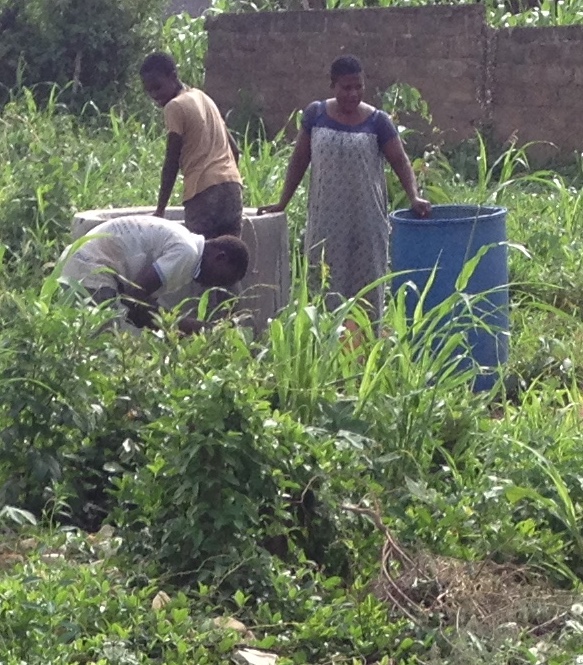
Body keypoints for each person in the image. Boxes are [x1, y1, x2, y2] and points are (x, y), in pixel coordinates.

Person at [258, 55, 431, 327]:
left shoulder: (378, 121)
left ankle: (365, 347)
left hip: (367, 222)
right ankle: (324, 345)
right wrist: (282, 202)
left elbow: (400, 161)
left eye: (358, 87)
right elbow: (299, 160)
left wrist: (414, 195)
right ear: (332, 86)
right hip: (326, 223)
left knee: (366, 294)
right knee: (323, 287)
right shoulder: (315, 116)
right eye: (346, 87)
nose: (353, 94)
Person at [58, 216, 249, 334]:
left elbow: (138, 307)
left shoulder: (184, 243)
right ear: (220, 258)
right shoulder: (187, 253)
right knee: (100, 346)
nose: (212, 284)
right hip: (91, 269)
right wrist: (197, 328)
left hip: (79, 262)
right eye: (221, 279)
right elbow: (134, 298)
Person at [140, 52, 243, 239]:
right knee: (232, 254)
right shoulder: (204, 98)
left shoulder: (174, 106)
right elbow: (234, 150)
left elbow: (172, 161)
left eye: (158, 87)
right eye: (149, 91)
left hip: (203, 193)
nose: (155, 95)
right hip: (232, 187)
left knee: (200, 253)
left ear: (173, 77)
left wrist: (160, 209)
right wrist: (227, 182)